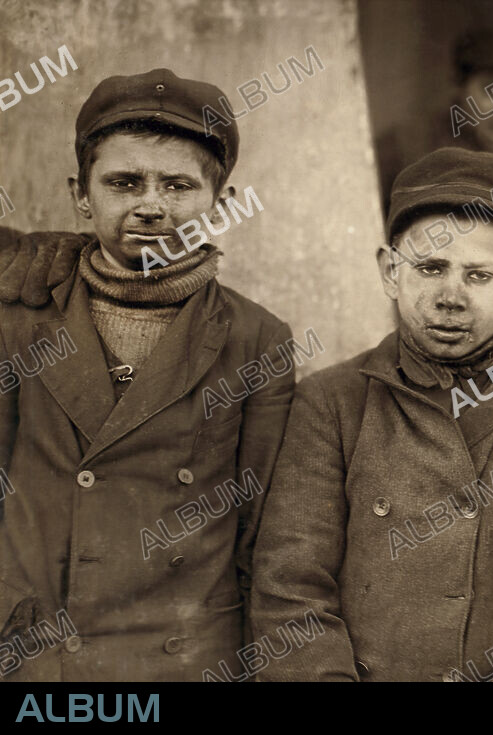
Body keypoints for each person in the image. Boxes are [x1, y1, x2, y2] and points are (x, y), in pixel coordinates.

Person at [251, 147, 493, 681]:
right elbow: (290, 589)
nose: (451, 296)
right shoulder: (331, 403)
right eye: (430, 267)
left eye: (479, 275)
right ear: (389, 273)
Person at [0, 69, 294, 681]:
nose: (151, 206)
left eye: (180, 185)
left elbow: (263, 534)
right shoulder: (18, 318)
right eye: (123, 182)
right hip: (40, 657)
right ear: (82, 196)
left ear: (224, 204)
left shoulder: (258, 340)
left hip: (182, 660)